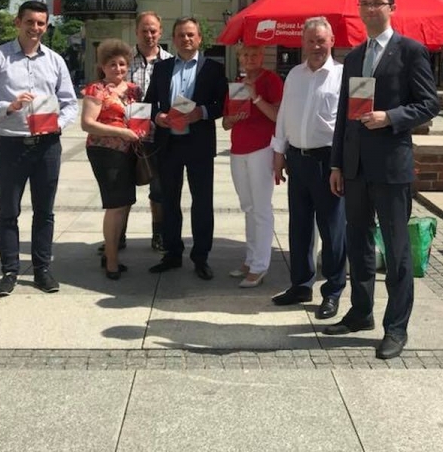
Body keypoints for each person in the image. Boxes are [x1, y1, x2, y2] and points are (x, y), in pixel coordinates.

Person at [327, 0, 439, 360]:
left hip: (391, 168)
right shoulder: (354, 57)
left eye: (377, 3)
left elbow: (429, 104)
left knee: (396, 250)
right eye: (364, 3)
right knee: (357, 243)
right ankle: (361, 312)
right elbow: (343, 115)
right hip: (355, 168)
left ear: (392, 7)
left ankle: (396, 327)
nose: (370, 9)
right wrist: (337, 163)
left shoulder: (410, 52)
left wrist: (389, 117)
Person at [0, 0, 79, 297]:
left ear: (46, 26)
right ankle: (9, 271)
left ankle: (42, 269)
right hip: (11, 145)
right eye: (30, 22)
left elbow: (70, 103)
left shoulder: (55, 60)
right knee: (8, 211)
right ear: (17, 22)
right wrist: (8, 106)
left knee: (45, 211)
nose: (35, 28)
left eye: (41, 23)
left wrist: (58, 124)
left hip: (47, 146)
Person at [270, 17, 346, 320]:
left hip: (328, 162)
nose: (316, 46)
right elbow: (284, 115)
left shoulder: (342, 76)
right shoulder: (294, 75)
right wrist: (279, 152)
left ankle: (333, 291)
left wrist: (340, 164)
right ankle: (301, 285)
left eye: (321, 40)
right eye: (311, 41)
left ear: (332, 41)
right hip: (297, 160)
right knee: (299, 227)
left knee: (332, 229)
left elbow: (347, 125)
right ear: (302, 43)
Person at [144, 16, 227, 280]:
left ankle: (201, 257)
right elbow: (150, 103)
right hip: (168, 143)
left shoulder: (213, 68)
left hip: (198, 144)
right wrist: (158, 116)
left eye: (191, 34)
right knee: (169, 201)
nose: (186, 39)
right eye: (181, 35)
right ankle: (172, 253)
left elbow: (221, 104)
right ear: (174, 39)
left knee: (202, 202)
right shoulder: (162, 68)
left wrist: (201, 112)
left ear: (200, 38)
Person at [80, 40, 145, 279]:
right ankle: (112, 262)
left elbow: (138, 117)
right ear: (103, 66)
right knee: (115, 205)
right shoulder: (97, 90)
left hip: (128, 151)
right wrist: (121, 132)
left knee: (125, 203)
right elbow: (87, 124)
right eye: (112, 64)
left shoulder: (133, 90)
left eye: (122, 64)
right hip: (105, 152)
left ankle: (111, 252)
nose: (118, 68)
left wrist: (140, 130)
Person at [222, 45, 283, 288]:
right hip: (238, 149)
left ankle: (260, 265)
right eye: (245, 54)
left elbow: (278, 116)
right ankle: (251, 259)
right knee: (248, 206)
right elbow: (225, 122)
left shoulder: (271, 80)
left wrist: (256, 97)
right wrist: (231, 119)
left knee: (261, 208)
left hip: (261, 148)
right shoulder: (237, 84)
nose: (249, 58)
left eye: (254, 54)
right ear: (239, 58)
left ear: (262, 56)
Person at [129, 11, 173, 252]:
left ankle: (159, 233)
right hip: (127, 136)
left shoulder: (170, 61)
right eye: (144, 30)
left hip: (158, 136)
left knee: (159, 189)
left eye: (153, 30)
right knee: (122, 189)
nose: (149, 35)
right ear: (136, 32)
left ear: (160, 32)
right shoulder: (124, 60)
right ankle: (117, 235)